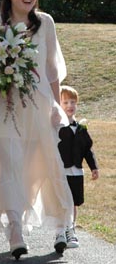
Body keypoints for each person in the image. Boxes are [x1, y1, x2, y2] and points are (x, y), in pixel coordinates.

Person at [0, 0, 74, 259]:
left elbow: (52, 69)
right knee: (6, 166)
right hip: (1, 105)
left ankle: (61, 227)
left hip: (38, 106)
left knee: (47, 162)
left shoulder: (46, 23)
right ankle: (15, 231)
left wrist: (57, 106)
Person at [58, 85, 99, 248]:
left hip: (76, 171)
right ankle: (60, 229)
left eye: (73, 102)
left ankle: (71, 229)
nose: (70, 106)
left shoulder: (81, 127)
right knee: (61, 201)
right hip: (60, 171)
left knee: (74, 202)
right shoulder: (56, 127)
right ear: (58, 104)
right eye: (65, 102)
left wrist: (93, 167)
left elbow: (87, 150)